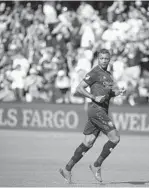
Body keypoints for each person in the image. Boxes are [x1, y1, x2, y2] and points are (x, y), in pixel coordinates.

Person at [59, 49, 126, 183]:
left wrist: (116, 93)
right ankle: (96, 165)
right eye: (101, 58)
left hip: (101, 111)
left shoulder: (108, 74)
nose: (103, 61)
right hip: (97, 110)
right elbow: (79, 88)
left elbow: (107, 93)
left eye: (106, 59)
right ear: (97, 59)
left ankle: (67, 169)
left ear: (109, 60)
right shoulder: (95, 72)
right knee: (115, 138)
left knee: (88, 142)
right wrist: (93, 96)